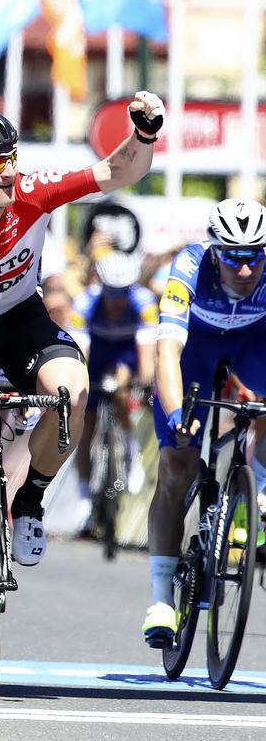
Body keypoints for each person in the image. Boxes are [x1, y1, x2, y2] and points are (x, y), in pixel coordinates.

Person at [0, 91, 164, 652]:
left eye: (12, 157)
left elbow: (117, 171)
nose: (10, 171)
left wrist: (143, 135)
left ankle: (30, 501)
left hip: (21, 318)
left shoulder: (31, 191)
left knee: (73, 391)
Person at [143, 198, 266, 646]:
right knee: (177, 466)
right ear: (214, 250)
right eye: (234, 256)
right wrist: (176, 414)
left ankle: (258, 492)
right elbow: (167, 352)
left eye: (255, 255)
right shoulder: (189, 267)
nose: (246, 268)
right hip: (194, 353)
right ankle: (160, 599)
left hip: (254, 345)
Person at [68, 250, 157, 516]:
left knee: (121, 389)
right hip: (97, 350)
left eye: (123, 292)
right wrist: (79, 384)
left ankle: (132, 455)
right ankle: (84, 493)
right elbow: (79, 352)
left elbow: (146, 352)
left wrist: (143, 381)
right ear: (102, 286)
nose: (118, 299)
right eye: (112, 292)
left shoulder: (144, 301)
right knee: (86, 423)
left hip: (127, 352)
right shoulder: (85, 303)